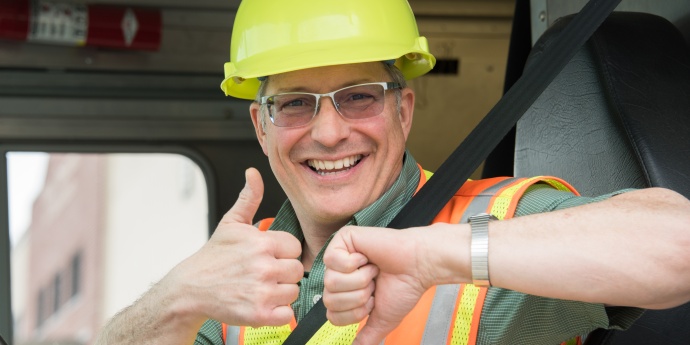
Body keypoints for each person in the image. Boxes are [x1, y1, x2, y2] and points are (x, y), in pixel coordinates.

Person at [95, 0, 690, 344]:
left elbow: (679, 246)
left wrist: (443, 255)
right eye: (296, 103)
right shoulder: (233, 293)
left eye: (359, 97)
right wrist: (177, 296)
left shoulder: (494, 226)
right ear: (261, 127)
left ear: (402, 110)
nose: (328, 133)